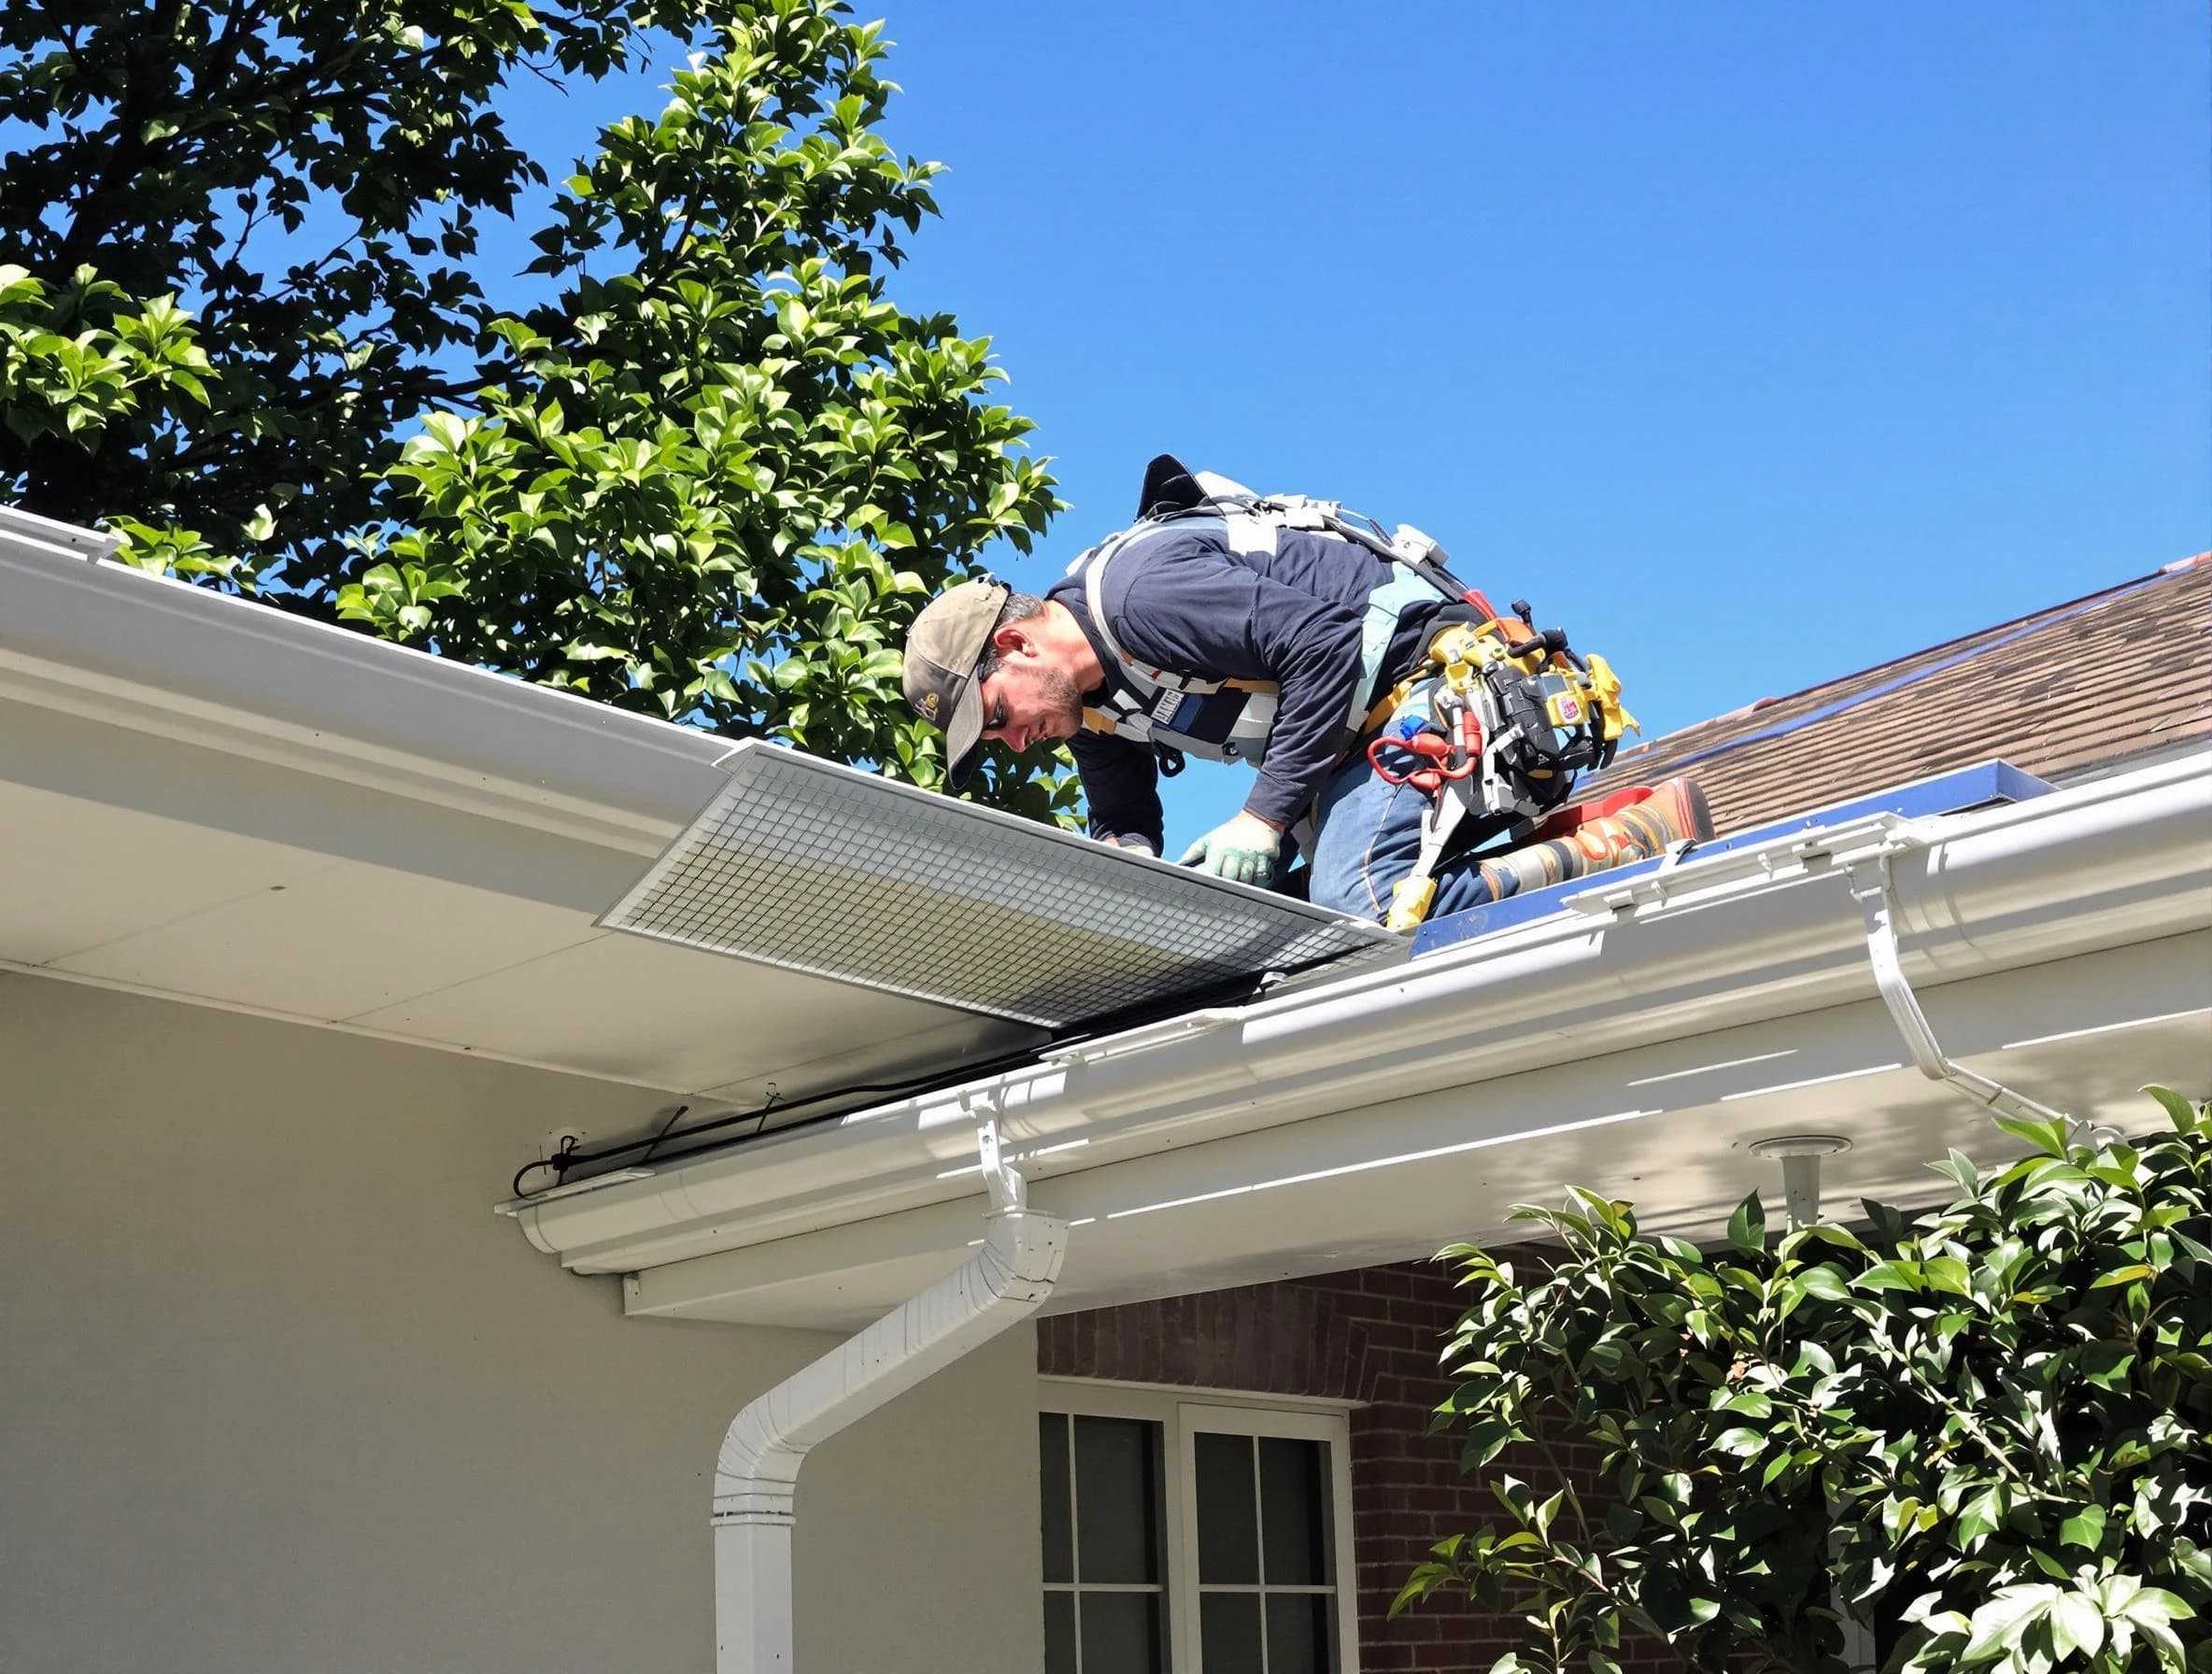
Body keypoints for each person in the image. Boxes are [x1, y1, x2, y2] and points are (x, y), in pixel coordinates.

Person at [900, 459, 1709, 925]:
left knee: (1360, 899)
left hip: (1433, 685)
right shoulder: (1092, 707)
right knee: (1276, 930)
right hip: (1352, 742)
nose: (1010, 741)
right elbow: (1124, 820)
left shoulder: (1142, 597)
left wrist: (1260, 818)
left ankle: (1619, 837)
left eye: (998, 715)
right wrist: (1135, 881)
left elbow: (1326, 643)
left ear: (1014, 643)